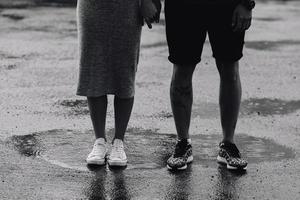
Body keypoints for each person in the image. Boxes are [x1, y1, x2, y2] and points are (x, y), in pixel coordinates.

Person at [165, 0, 255, 170]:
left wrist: (246, 3)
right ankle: (183, 143)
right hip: (183, 6)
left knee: (230, 69)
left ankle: (228, 144)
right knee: (182, 69)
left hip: (227, 5)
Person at [77, 0, 160, 167]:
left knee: (124, 70)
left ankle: (118, 142)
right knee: (93, 68)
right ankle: (99, 140)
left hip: (127, 7)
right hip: (91, 6)